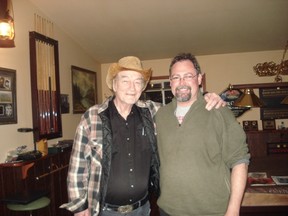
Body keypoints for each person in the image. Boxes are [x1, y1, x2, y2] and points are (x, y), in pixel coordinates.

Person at [61, 56, 225, 216]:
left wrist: (206, 97)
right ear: (114, 84)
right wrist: (80, 206)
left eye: (138, 81)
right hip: (104, 210)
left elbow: (185, 105)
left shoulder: (153, 112)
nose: (132, 88)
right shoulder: (93, 116)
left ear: (142, 87)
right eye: (125, 80)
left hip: (142, 209)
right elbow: (78, 166)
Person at [155, 53, 250, 216]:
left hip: (212, 210)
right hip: (168, 209)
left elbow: (239, 160)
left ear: (199, 79)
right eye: (176, 77)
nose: (182, 82)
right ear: (170, 82)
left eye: (188, 76)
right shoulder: (160, 115)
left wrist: (233, 210)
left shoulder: (219, 111)